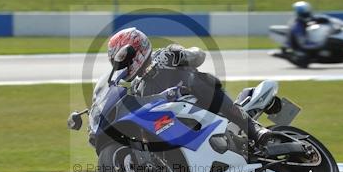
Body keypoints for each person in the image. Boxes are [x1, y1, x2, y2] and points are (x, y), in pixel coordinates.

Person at [107, 27, 271, 153]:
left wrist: (181, 55)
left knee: (196, 81)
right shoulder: (137, 87)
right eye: (118, 63)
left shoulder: (164, 55)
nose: (123, 66)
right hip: (176, 124)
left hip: (203, 106)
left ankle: (253, 128)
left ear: (136, 49)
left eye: (123, 60)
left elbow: (199, 55)